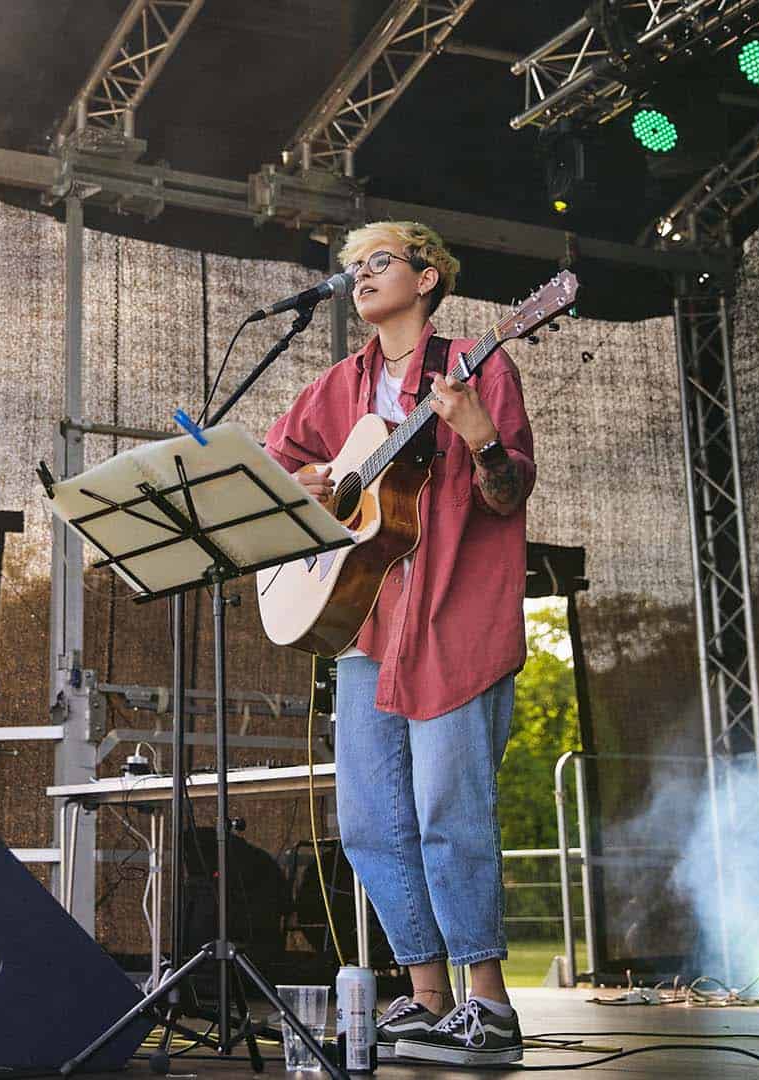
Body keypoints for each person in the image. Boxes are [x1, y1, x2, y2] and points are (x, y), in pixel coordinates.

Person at [262, 221, 536, 1067]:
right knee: (371, 826)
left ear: (427, 277)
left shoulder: (477, 365)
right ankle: (425, 1000)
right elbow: (278, 466)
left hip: (454, 617)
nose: (359, 278)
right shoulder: (337, 385)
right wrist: (307, 484)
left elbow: (508, 491)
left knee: (450, 816)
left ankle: (486, 1005)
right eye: (351, 269)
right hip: (364, 621)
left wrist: (479, 433)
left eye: (378, 262)